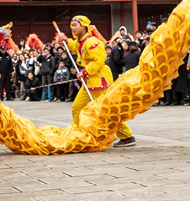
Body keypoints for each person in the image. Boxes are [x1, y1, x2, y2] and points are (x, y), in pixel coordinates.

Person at [58, 15, 135, 147]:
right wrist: (65, 40)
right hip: (89, 81)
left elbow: (98, 62)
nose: (72, 28)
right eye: (71, 25)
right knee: (77, 108)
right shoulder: (80, 42)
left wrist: (84, 71)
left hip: (99, 81)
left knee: (107, 110)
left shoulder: (93, 42)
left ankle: (127, 136)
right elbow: (73, 46)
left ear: (84, 26)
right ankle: (79, 134)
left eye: (75, 25)